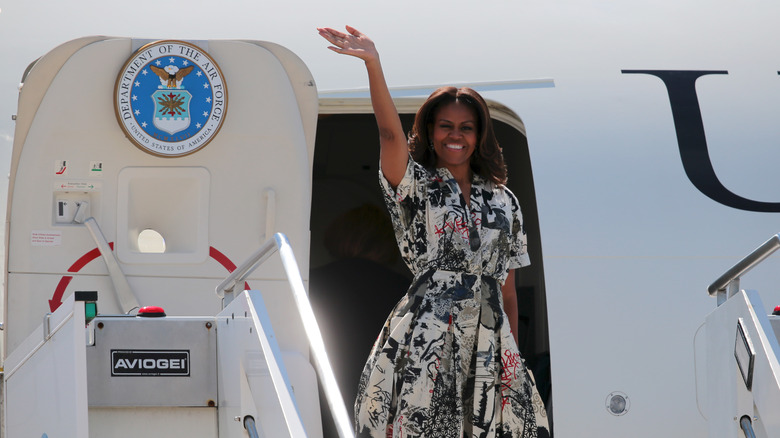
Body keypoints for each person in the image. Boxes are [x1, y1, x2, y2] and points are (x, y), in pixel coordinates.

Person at [318, 26, 549, 438]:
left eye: (466, 127)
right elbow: (389, 134)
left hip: (489, 341)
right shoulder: (416, 188)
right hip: (426, 335)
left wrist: (511, 356)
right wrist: (374, 64)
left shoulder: (504, 200)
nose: (455, 135)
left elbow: (508, 289)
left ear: (479, 136)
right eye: (445, 125)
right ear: (430, 131)